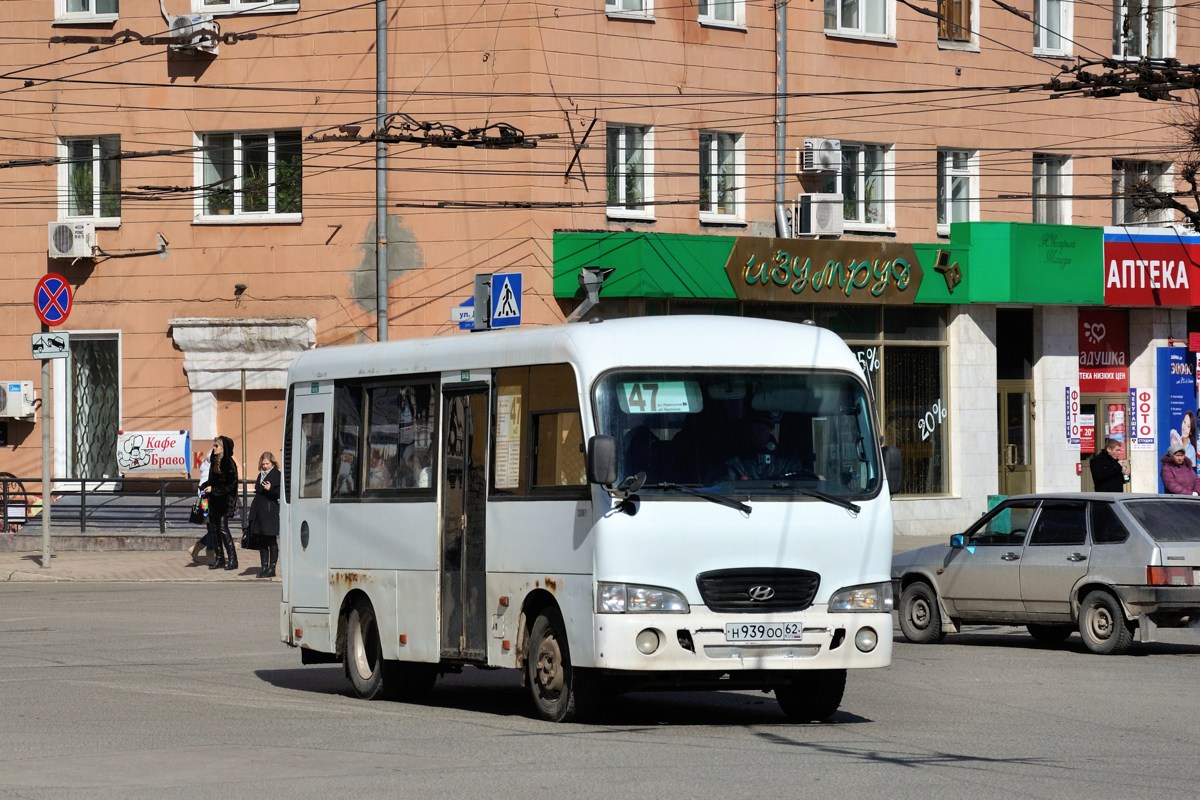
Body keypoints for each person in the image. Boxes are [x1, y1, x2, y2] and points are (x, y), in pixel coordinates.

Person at [200, 435, 239, 571]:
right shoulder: (214, 461)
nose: (214, 448)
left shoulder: (229, 463)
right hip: (213, 501)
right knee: (215, 530)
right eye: (214, 445)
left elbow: (231, 484)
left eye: (216, 446)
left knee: (223, 529)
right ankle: (219, 559)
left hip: (225, 502)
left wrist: (214, 489)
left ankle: (233, 560)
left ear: (223, 448)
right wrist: (205, 486)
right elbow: (212, 481)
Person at [248, 451, 281, 578]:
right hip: (259, 511)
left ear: (272, 463)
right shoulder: (260, 475)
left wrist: (270, 489)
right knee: (261, 541)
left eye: (267, 463)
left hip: (270, 511)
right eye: (263, 464)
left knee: (271, 540)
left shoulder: (277, 475)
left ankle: (272, 568)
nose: (265, 466)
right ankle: (264, 567)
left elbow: (279, 493)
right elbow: (258, 490)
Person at [189, 444, 214, 564]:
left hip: (207, 501)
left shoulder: (207, 468)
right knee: (213, 529)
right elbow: (203, 489)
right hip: (207, 502)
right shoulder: (209, 470)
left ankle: (196, 548)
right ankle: (210, 554)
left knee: (213, 529)